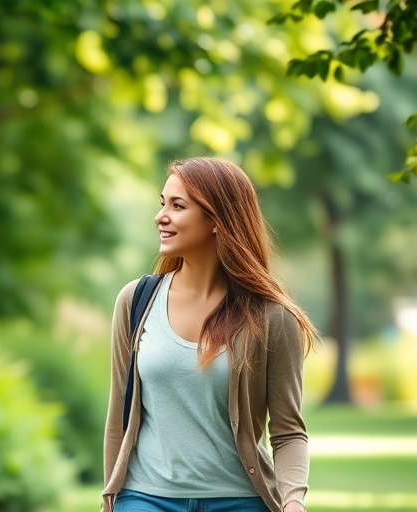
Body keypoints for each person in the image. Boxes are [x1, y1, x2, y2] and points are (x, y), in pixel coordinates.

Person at [102, 157, 316, 512]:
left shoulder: (272, 317)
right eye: (162, 203)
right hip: (144, 498)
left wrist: (293, 501)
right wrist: (110, 498)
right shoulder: (135, 301)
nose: (161, 216)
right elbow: (117, 419)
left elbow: (288, 431)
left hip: (239, 501)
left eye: (178, 206)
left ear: (217, 220)